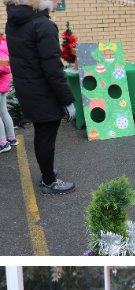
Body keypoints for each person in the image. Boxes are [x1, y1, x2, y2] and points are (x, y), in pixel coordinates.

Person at [5, 0, 75, 194]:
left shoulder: (14, 20)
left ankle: (47, 173)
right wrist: (68, 100)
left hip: (28, 89)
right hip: (43, 92)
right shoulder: (43, 25)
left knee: (41, 134)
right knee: (46, 137)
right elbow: (53, 68)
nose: (57, 2)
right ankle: (50, 181)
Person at [0, 28, 16, 153]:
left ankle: (3, 143)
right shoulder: (4, 44)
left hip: (1, 84)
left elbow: (4, 67)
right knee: (3, 112)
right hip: (3, 85)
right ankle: (11, 138)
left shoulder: (1, 46)